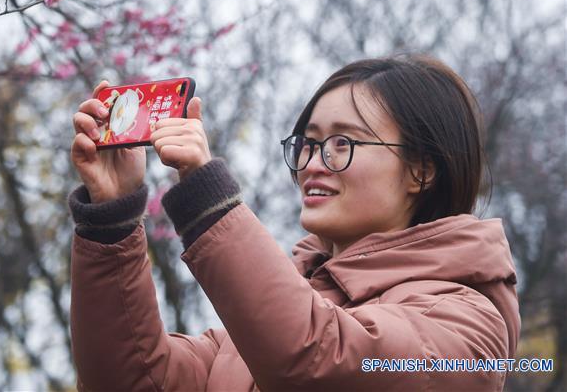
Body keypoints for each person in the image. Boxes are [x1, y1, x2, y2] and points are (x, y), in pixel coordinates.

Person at [67, 55, 520, 391]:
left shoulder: (467, 327)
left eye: (343, 144)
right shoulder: (243, 343)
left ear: (421, 171)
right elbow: (135, 380)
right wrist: (113, 217)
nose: (313, 164)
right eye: (309, 143)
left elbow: (314, 361)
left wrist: (207, 200)